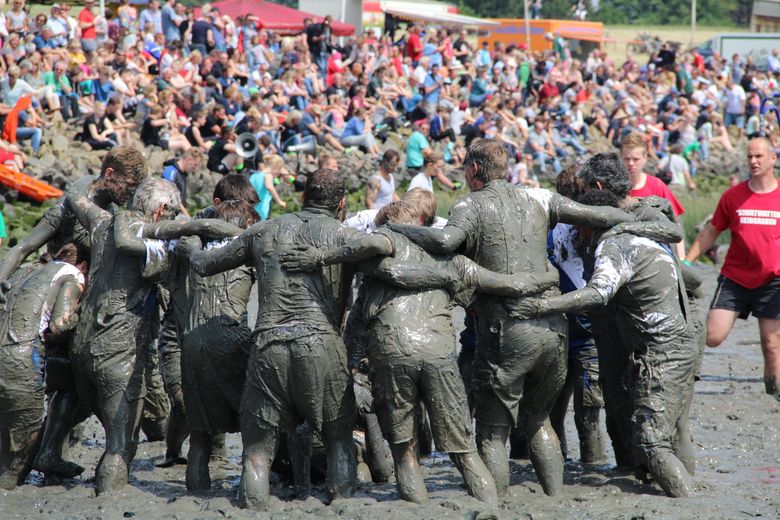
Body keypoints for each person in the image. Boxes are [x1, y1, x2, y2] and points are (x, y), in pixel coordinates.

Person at [387, 139, 635, 497]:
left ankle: (495, 505)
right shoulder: (539, 197)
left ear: (473, 171)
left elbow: (444, 243)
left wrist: (398, 229)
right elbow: (603, 215)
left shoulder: (470, 205)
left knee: (493, 428)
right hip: (553, 329)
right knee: (538, 421)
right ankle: (554, 501)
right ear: (507, 170)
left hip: (507, 330)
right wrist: (640, 215)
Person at [182, 169, 360, 510]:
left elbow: (205, 264)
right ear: (340, 204)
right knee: (338, 439)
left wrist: (190, 242)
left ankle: (254, 507)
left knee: (257, 450)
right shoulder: (345, 235)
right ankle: (345, 505)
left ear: (303, 196)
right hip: (321, 343)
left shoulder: (264, 229)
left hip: (268, 346)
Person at [514, 188, 699, 498]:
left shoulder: (613, 246)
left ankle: (689, 503)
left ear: (591, 222)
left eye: (579, 226)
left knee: (651, 442)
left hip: (663, 350)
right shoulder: (640, 238)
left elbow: (597, 293)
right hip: (672, 342)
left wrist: (544, 306)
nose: (575, 233)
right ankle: (677, 490)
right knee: (661, 431)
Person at [65, 177, 237, 495]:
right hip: (118, 350)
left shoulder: (102, 221)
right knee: (120, 446)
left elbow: (75, 195)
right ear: (160, 211)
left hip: (81, 344)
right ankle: (107, 504)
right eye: (170, 213)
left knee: (77, 413)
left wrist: (104, 184)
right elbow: (169, 270)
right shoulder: (154, 241)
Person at [685, 137, 780, 401]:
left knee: (771, 345)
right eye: (750, 156)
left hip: (773, 280)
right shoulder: (733, 196)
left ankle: (773, 392)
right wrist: (687, 262)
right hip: (736, 278)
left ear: (773, 158)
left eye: (759, 156)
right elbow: (712, 230)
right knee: (713, 337)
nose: (753, 161)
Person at [175, 200, 257, 491]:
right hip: (230, 336)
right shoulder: (247, 248)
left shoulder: (193, 247)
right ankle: (253, 490)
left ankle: (195, 492)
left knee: (200, 434)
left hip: (192, 342)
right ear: (244, 225)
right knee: (253, 426)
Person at [0, 242, 88, 490]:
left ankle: (48, 453)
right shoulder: (73, 274)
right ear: (82, 265)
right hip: (21, 361)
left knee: (67, 382)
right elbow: (59, 325)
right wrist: (81, 312)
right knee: (12, 471)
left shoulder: (26, 271)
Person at [621, 133, 686, 258]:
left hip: (655, 254)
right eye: (626, 159)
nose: (631, 163)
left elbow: (676, 222)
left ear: (645, 158)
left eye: (636, 159)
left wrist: (681, 258)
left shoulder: (656, 185)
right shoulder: (613, 188)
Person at [248, 155, 289, 220]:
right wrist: (279, 201)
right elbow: (269, 187)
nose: (279, 172)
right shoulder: (268, 175)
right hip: (262, 208)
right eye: (280, 169)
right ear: (275, 167)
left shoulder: (254, 175)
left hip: (251, 208)